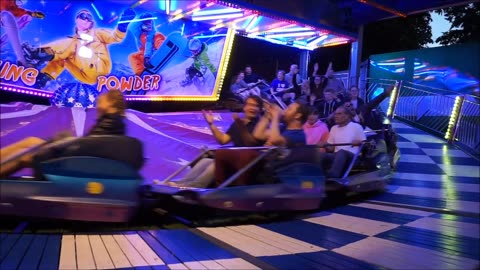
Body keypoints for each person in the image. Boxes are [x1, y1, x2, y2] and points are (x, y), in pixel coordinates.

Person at [0, 90, 128, 178]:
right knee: (31, 141)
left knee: (25, 155)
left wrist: (62, 143)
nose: (98, 102)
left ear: (111, 103)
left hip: (76, 161)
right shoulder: (113, 122)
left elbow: (87, 147)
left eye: (102, 100)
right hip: (79, 158)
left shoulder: (111, 122)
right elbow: (91, 145)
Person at [168, 96, 264, 188]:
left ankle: (193, 187)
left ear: (260, 109)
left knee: (216, 163)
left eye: (255, 106)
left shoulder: (260, 125)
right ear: (244, 107)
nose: (252, 108)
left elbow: (250, 143)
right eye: (249, 105)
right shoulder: (238, 123)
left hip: (248, 162)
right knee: (205, 161)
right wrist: (211, 124)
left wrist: (240, 125)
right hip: (233, 158)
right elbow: (223, 140)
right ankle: (179, 183)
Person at [23, 9, 135, 88]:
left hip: (99, 69)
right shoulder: (72, 42)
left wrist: (122, 25)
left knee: (73, 44)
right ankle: (42, 78)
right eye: (83, 17)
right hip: (84, 75)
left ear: (91, 22)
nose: (86, 19)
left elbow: (114, 37)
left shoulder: (97, 33)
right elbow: (64, 54)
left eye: (89, 18)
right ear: (77, 20)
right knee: (63, 57)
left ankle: (38, 53)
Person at [213, 101, 308, 187]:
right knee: (222, 152)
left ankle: (241, 189)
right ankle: (219, 187)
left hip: (277, 166)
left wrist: (275, 117)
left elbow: (275, 139)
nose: (285, 111)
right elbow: (258, 134)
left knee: (247, 155)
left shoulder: (299, 135)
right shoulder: (284, 128)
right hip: (266, 159)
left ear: (297, 115)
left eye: (289, 109)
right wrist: (267, 115)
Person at [319, 106, 366, 178]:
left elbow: (365, 145)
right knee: (320, 154)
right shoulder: (333, 128)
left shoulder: (356, 126)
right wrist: (325, 145)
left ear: (347, 116)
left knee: (341, 152)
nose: (335, 116)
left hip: (353, 157)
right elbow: (331, 149)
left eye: (339, 114)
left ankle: (333, 176)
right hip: (337, 156)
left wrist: (360, 143)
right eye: (335, 114)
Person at [1, 0, 45, 66]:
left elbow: (15, 10)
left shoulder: (11, 4)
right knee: (6, 15)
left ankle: (21, 59)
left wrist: (31, 14)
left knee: (7, 15)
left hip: (5, 17)